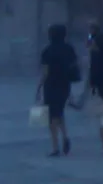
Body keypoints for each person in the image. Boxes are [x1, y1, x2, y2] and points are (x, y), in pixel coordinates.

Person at [36, 23, 79, 157]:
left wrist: (38, 87)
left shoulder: (47, 51)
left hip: (51, 85)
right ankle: (65, 136)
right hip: (65, 84)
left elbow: (45, 72)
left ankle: (55, 147)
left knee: (51, 117)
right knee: (59, 112)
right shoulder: (69, 49)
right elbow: (75, 65)